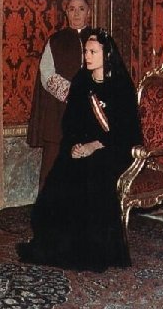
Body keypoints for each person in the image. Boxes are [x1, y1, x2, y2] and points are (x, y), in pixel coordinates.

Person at [17, 28, 142, 272]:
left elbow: (125, 132)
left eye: (93, 52)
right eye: (86, 51)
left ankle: (91, 249)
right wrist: (75, 145)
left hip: (113, 148)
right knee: (61, 173)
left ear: (107, 54)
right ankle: (59, 245)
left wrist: (93, 146)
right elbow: (71, 123)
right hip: (82, 146)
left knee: (92, 172)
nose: (87, 56)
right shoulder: (82, 81)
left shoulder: (121, 85)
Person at [27, 0, 92, 188]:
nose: (76, 13)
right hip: (59, 113)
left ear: (88, 13)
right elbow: (46, 73)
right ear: (66, 13)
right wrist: (73, 94)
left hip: (92, 111)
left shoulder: (100, 39)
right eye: (72, 9)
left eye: (81, 9)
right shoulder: (55, 41)